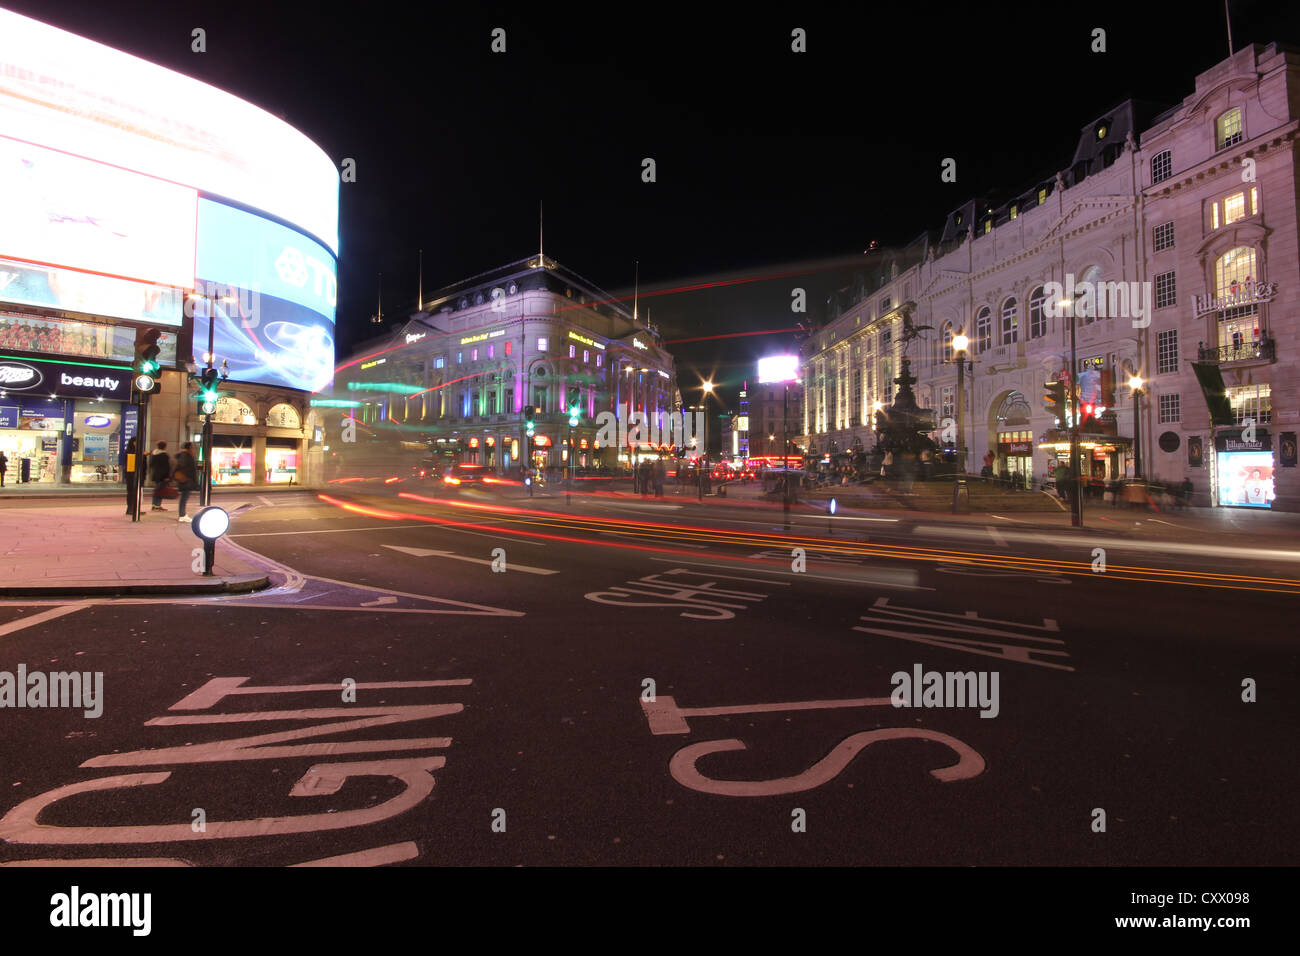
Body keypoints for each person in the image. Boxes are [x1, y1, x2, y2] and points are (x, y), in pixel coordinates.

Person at [173, 442, 198, 521]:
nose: (193, 449)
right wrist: (189, 478)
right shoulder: (186, 455)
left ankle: (183, 514)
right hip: (186, 480)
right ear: (189, 447)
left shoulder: (184, 455)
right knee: (184, 497)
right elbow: (185, 467)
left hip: (185, 479)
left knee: (184, 497)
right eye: (192, 447)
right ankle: (182, 515)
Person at [149, 440, 171, 511]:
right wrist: (167, 476)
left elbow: (151, 465)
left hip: (156, 475)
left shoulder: (154, 454)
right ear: (164, 447)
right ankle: (157, 505)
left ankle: (154, 505)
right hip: (162, 476)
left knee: (157, 490)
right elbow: (167, 467)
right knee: (160, 491)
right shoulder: (164, 455)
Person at [122, 437, 138, 515]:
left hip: (132, 474)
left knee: (133, 492)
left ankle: (133, 509)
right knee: (131, 492)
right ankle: (130, 508)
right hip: (131, 474)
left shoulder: (133, 451)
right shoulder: (131, 452)